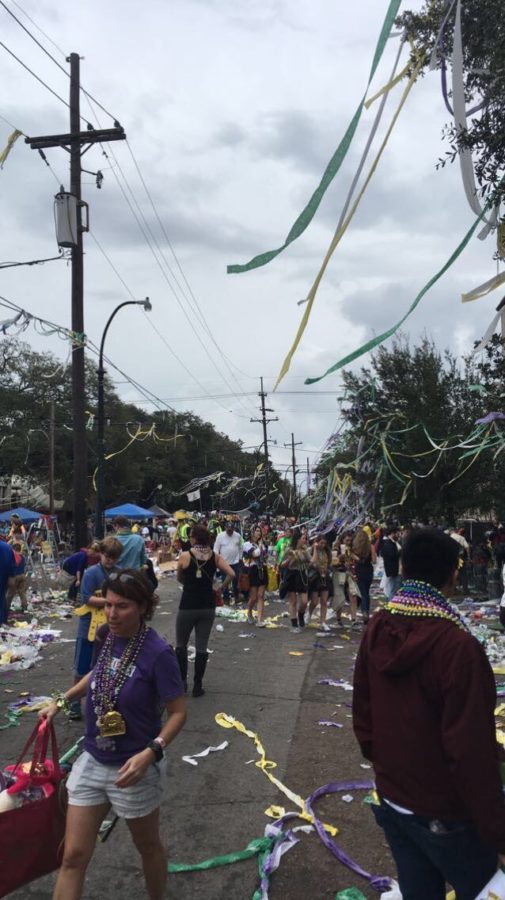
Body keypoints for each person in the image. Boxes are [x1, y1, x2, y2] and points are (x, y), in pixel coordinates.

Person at [353, 527, 505, 900]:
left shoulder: (378, 626)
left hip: (394, 797)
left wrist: (389, 770)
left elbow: (363, 715)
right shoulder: (457, 647)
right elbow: (471, 750)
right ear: (454, 573)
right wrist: (498, 830)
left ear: (402, 567)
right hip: (445, 812)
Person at [40, 568, 186, 900]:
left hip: (133, 768)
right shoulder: (107, 635)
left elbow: (178, 713)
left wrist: (152, 751)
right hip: (93, 759)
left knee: (147, 846)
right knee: (73, 855)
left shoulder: (159, 654)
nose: (111, 613)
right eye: (108, 604)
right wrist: (62, 701)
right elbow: (97, 672)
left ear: (143, 608)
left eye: (122, 606)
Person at [176, 524, 234, 696]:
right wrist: (220, 588)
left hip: (187, 605)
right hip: (207, 606)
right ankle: (198, 686)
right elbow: (231, 573)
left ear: (193, 538)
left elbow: (180, 577)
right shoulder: (215, 557)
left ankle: (182, 683)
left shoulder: (185, 556)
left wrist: (188, 583)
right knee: (202, 646)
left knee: (181, 645)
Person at [70, 537, 123, 720]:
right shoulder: (92, 573)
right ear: (101, 553)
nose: (110, 560)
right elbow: (86, 598)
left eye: (113, 557)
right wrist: (111, 601)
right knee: (82, 667)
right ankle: (74, 703)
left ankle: (99, 702)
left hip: (110, 626)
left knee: (104, 667)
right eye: (107, 556)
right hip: (89, 626)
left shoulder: (118, 573)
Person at [281, 530, 311, 633]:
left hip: (302, 575)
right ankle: (294, 624)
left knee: (304, 601)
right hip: (292, 575)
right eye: (303, 538)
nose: (305, 540)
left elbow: (311, 562)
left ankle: (301, 614)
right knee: (293, 601)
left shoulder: (305, 550)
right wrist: (290, 559)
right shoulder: (289, 550)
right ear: (298, 539)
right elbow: (282, 564)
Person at [243, 525, 269, 627]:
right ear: (252, 532)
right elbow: (255, 554)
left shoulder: (262, 544)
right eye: (257, 531)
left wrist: (264, 552)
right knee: (253, 597)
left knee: (261, 596)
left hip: (262, 570)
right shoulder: (247, 544)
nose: (259, 533)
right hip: (252, 571)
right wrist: (261, 546)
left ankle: (260, 620)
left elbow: (265, 555)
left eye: (260, 531)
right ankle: (249, 612)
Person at [213, 520, 243, 603]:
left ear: (233, 529)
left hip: (235, 562)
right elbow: (216, 548)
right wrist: (216, 560)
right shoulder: (220, 536)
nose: (230, 531)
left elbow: (241, 547)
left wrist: (240, 558)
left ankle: (236, 597)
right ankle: (226, 598)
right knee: (225, 580)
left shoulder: (237, 536)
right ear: (225, 528)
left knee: (235, 580)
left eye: (231, 529)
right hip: (224, 562)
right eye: (228, 529)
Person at [307, 536, 333, 632]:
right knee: (314, 601)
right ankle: (308, 614)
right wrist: (314, 548)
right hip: (315, 577)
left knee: (324, 601)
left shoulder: (327, 552)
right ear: (317, 542)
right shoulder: (312, 550)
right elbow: (311, 563)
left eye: (324, 543)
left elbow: (329, 563)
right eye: (321, 543)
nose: (323, 545)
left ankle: (323, 622)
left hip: (324, 577)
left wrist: (328, 569)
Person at [352, 527, 376, 625]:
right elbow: (374, 560)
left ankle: (364, 612)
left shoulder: (355, 547)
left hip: (359, 570)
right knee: (366, 591)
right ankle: (366, 611)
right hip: (369, 570)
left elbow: (352, 559)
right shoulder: (371, 546)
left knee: (362, 592)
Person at [5, 541, 28, 615]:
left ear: (13, 549)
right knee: (22, 592)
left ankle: (6, 608)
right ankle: (24, 607)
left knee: (10, 593)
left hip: (15, 576)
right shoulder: (23, 557)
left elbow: (10, 566)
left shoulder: (13, 556)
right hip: (22, 575)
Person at [380, 525, 402, 600]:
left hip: (396, 570)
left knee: (394, 590)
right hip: (394, 571)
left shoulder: (393, 542)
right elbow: (391, 555)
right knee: (393, 591)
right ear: (392, 533)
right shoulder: (388, 543)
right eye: (397, 533)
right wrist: (400, 552)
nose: (398, 535)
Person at [0, 538, 16, 624]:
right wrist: (11, 577)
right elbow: (12, 563)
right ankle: (3, 619)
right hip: (5, 576)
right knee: (2, 596)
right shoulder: (7, 547)